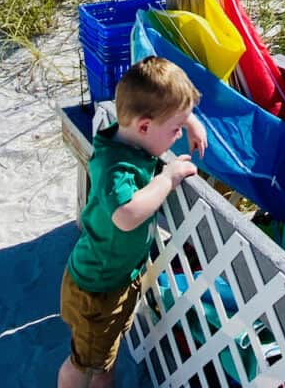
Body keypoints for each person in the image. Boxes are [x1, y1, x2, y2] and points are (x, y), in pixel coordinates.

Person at [58, 56, 207, 388]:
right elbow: (126, 215)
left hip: (112, 279)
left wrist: (192, 122)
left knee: (102, 357)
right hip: (97, 290)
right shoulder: (116, 168)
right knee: (87, 365)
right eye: (176, 130)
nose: (178, 136)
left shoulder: (128, 136)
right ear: (144, 127)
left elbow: (162, 113)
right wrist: (167, 178)